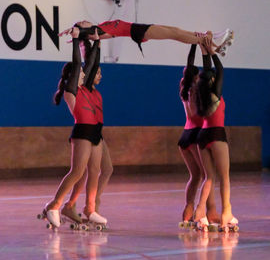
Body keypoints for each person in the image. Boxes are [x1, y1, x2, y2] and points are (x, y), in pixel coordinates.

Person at [43, 27, 107, 228]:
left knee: (94, 170)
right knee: (78, 171)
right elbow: (80, 62)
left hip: (96, 131)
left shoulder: (86, 88)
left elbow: (92, 63)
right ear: (73, 75)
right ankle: (53, 205)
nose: (84, 73)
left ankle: (90, 209)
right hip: (83, 132)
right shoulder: (73, 90)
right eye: (80, 72)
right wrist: (77, 38)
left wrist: (96, 42)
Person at [193, 43, 238, 230]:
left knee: (209, 177)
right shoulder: (215, 95)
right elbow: (219, 69)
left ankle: (200, 211)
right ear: (213, 82)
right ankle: (227, 212)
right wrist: (212, 52)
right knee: (224, 177)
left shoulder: (200, 93)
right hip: (217, 134)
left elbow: (208, 71)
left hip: (202, 136)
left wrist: (204, 50)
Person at [178, 43, 219, 225]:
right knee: (207, 175)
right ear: (197, 76)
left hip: (184, 135)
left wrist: (194, 45)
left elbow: (189, 64)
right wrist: (202, 50)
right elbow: (204, 70)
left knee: (195, 176)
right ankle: (205, 212)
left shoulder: (184, 88)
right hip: (195, 134)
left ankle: (188, 208)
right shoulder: (197, 88)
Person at [59, 19, 232, 55]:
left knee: (175, 28)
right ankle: (210, 43)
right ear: (85, 30)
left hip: (138, 29)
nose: (83, 20)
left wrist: (77, 30)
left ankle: (214, 42)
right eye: (81, 22)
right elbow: (82, 34)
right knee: (174, 34)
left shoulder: (100, 27)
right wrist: (75, 31)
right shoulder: (96, 32)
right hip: (137, 31)